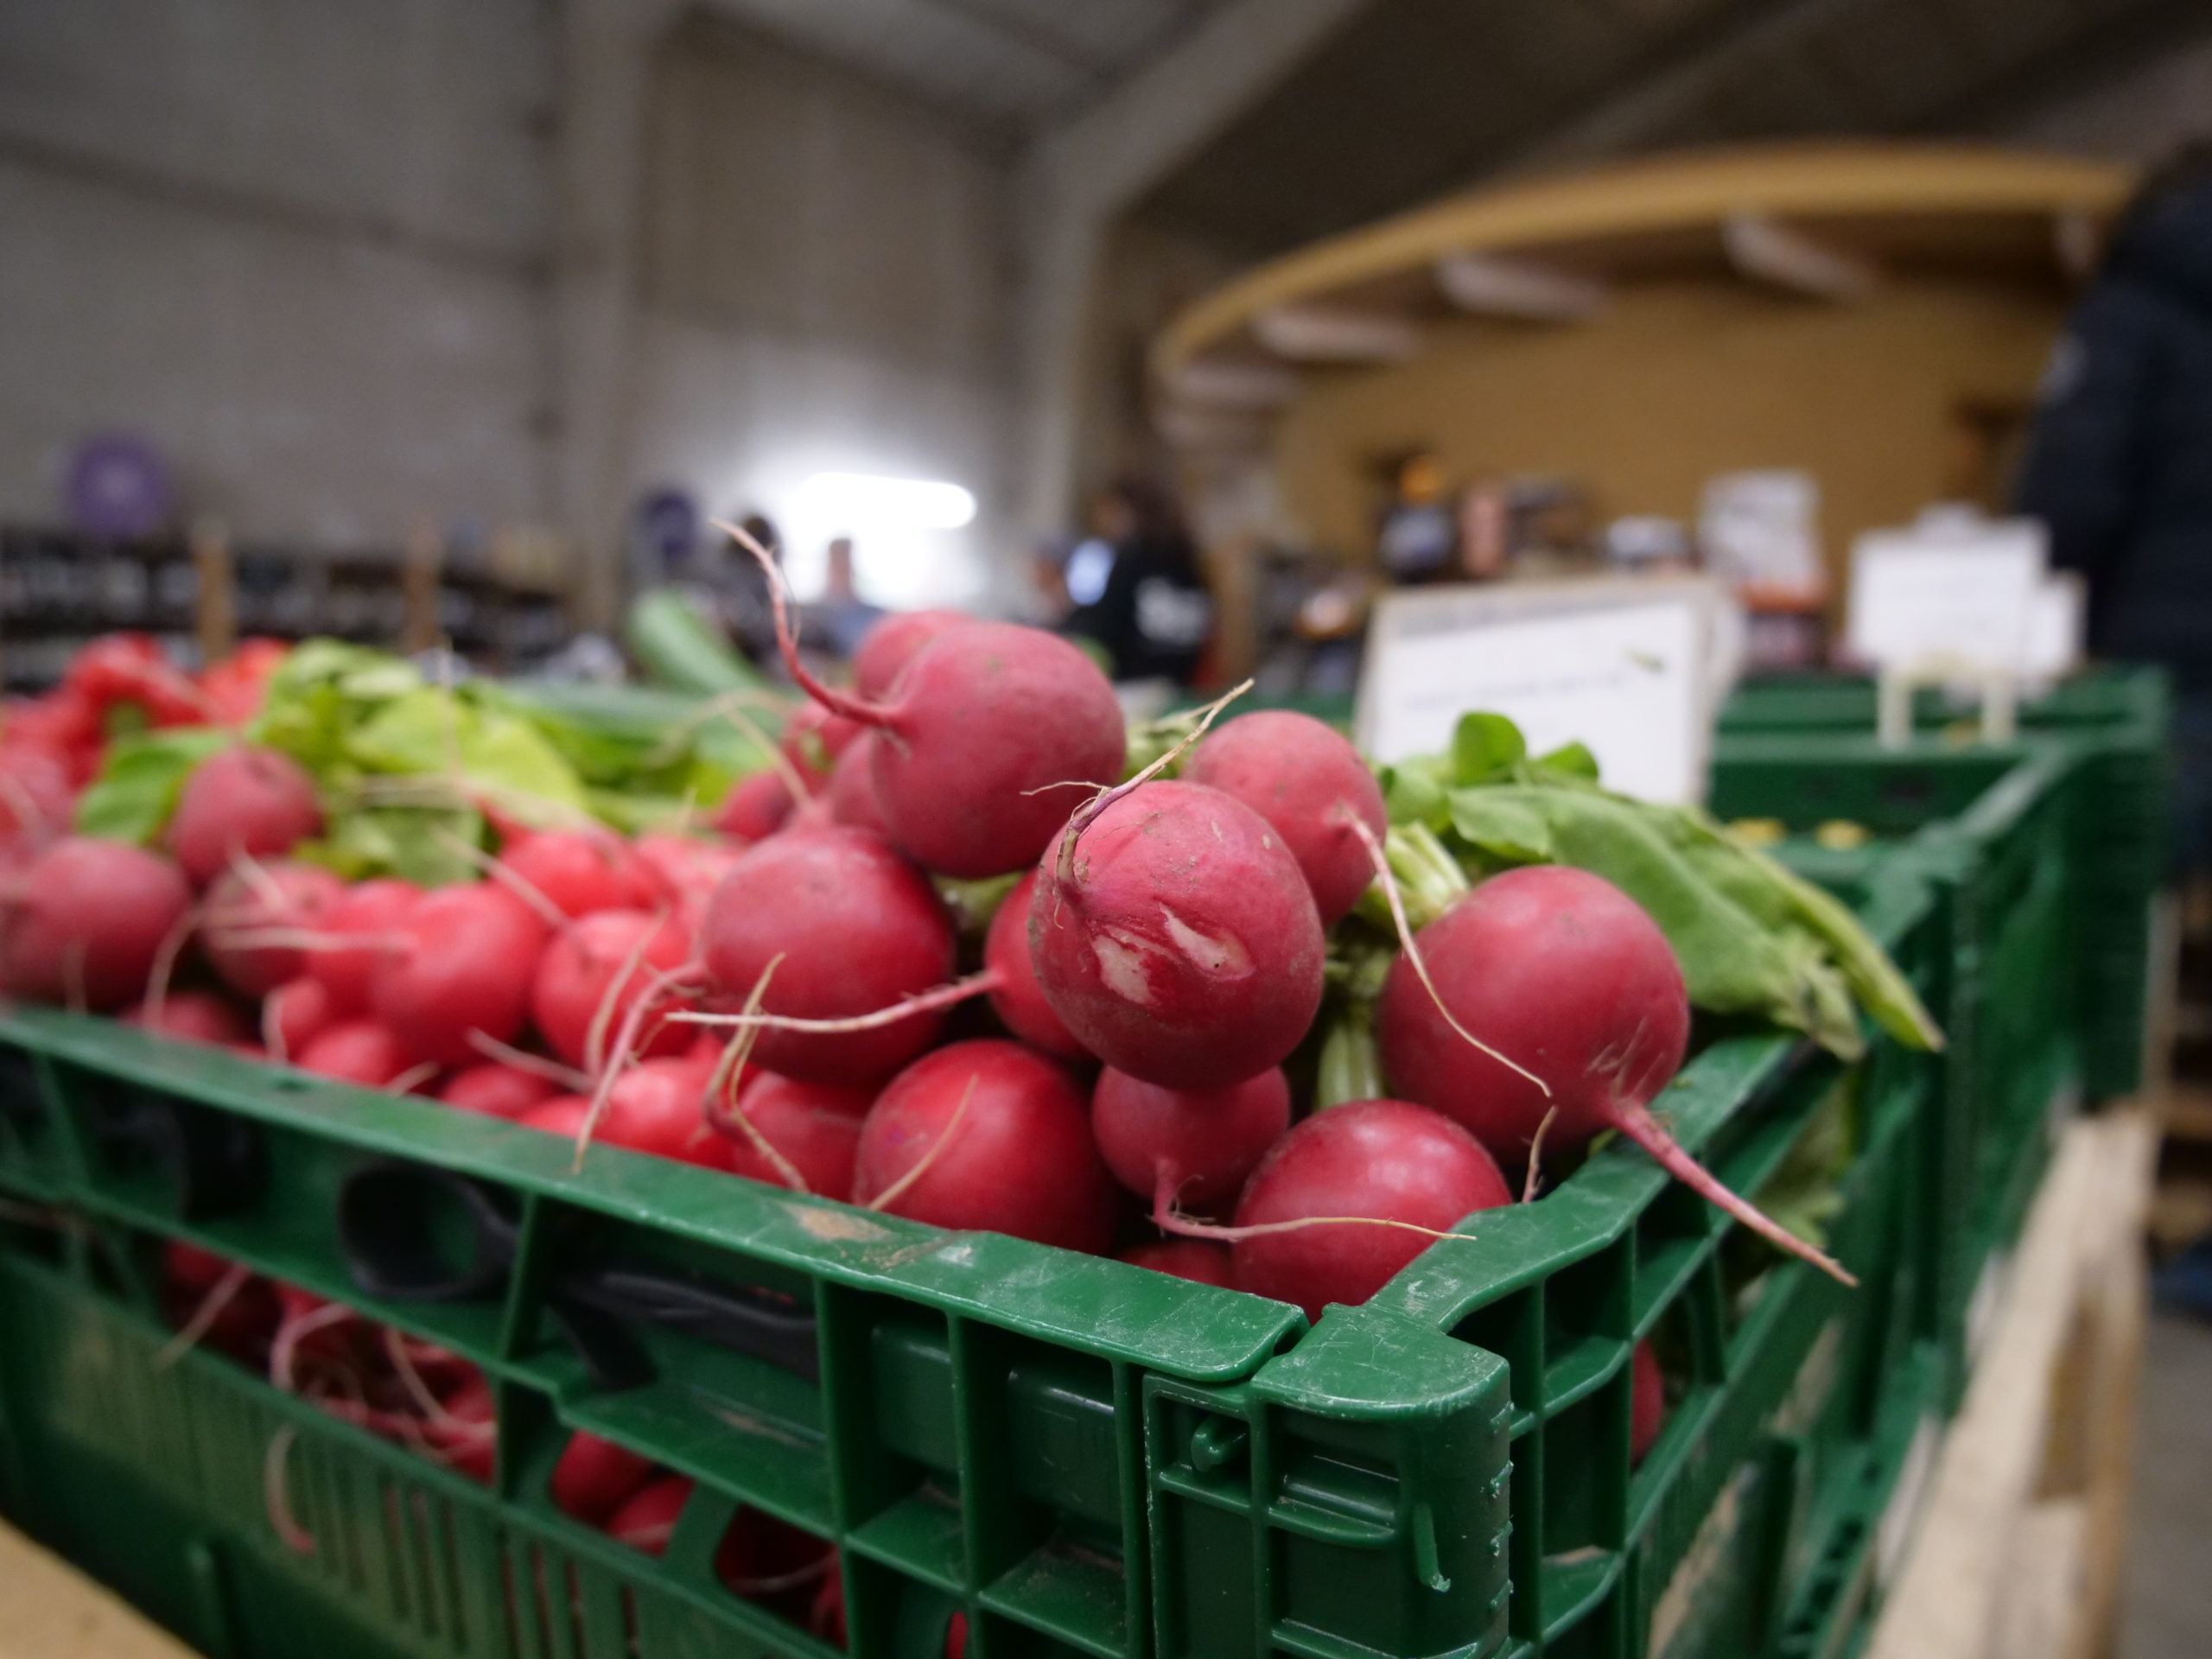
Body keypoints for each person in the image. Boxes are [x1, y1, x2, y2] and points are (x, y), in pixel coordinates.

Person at [2015, 143, 2212, 876]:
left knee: (2130, 880)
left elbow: (2075, 490)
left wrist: (2043, 591)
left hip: (2168, 661)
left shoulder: (2132, 310)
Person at [1060, 478, 1213, 685]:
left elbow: (1105, 627)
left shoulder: (1132, 561)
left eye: (1109, 513)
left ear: (1127, 512)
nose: (1103, 523)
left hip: (1134, 685)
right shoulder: (1192, 562)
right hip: (1181, 686)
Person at [804, 536, 887, 661]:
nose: (841, 568)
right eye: (837, 562)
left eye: (845, 562)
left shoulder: (873, 614)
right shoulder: (812, 613)